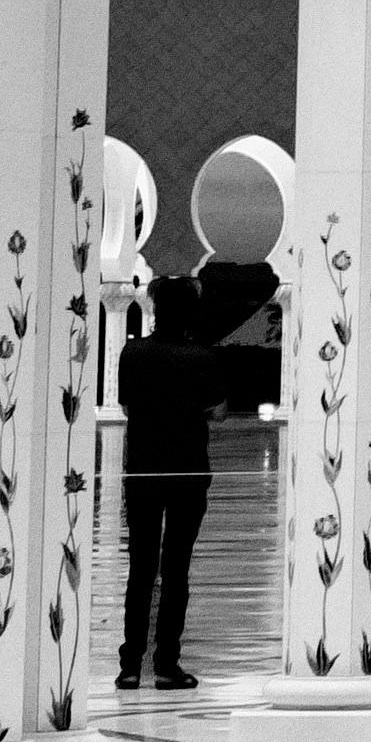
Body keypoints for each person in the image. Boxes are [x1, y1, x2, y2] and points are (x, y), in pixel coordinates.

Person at [113, 278, 216, 690]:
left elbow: (124, 404)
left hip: (143, 471)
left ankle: (129, 665)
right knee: (177, 570)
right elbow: (220, 410)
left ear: (155, 310)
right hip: (188, 472)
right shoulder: (201, 357)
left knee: (141, 569)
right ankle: (167, 664)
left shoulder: (132, 353)